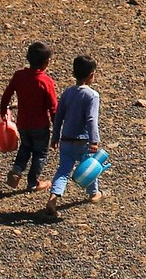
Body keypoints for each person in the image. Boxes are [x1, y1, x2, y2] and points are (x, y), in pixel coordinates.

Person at [41, 55, 104, 220]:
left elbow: (58, 116)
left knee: (63, 171)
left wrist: (55, 137)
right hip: (83, 141)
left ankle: (53, 199)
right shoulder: (92, 95)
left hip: (66, 140)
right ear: (91, 75)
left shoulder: (68, 92)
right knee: (90, 166)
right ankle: (93, 193)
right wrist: (94, 140)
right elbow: (91, 119)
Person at [0, 42, 58, 192]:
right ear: (46, 63)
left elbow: (7, 94)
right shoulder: (46, 81)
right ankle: (33, 182)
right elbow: (53, 106)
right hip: (40, 125)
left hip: (23, 123)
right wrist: (56, 128)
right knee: (40, 153)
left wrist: (3, 111)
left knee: (25, 147)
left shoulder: (19, 76)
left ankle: (17, 170)